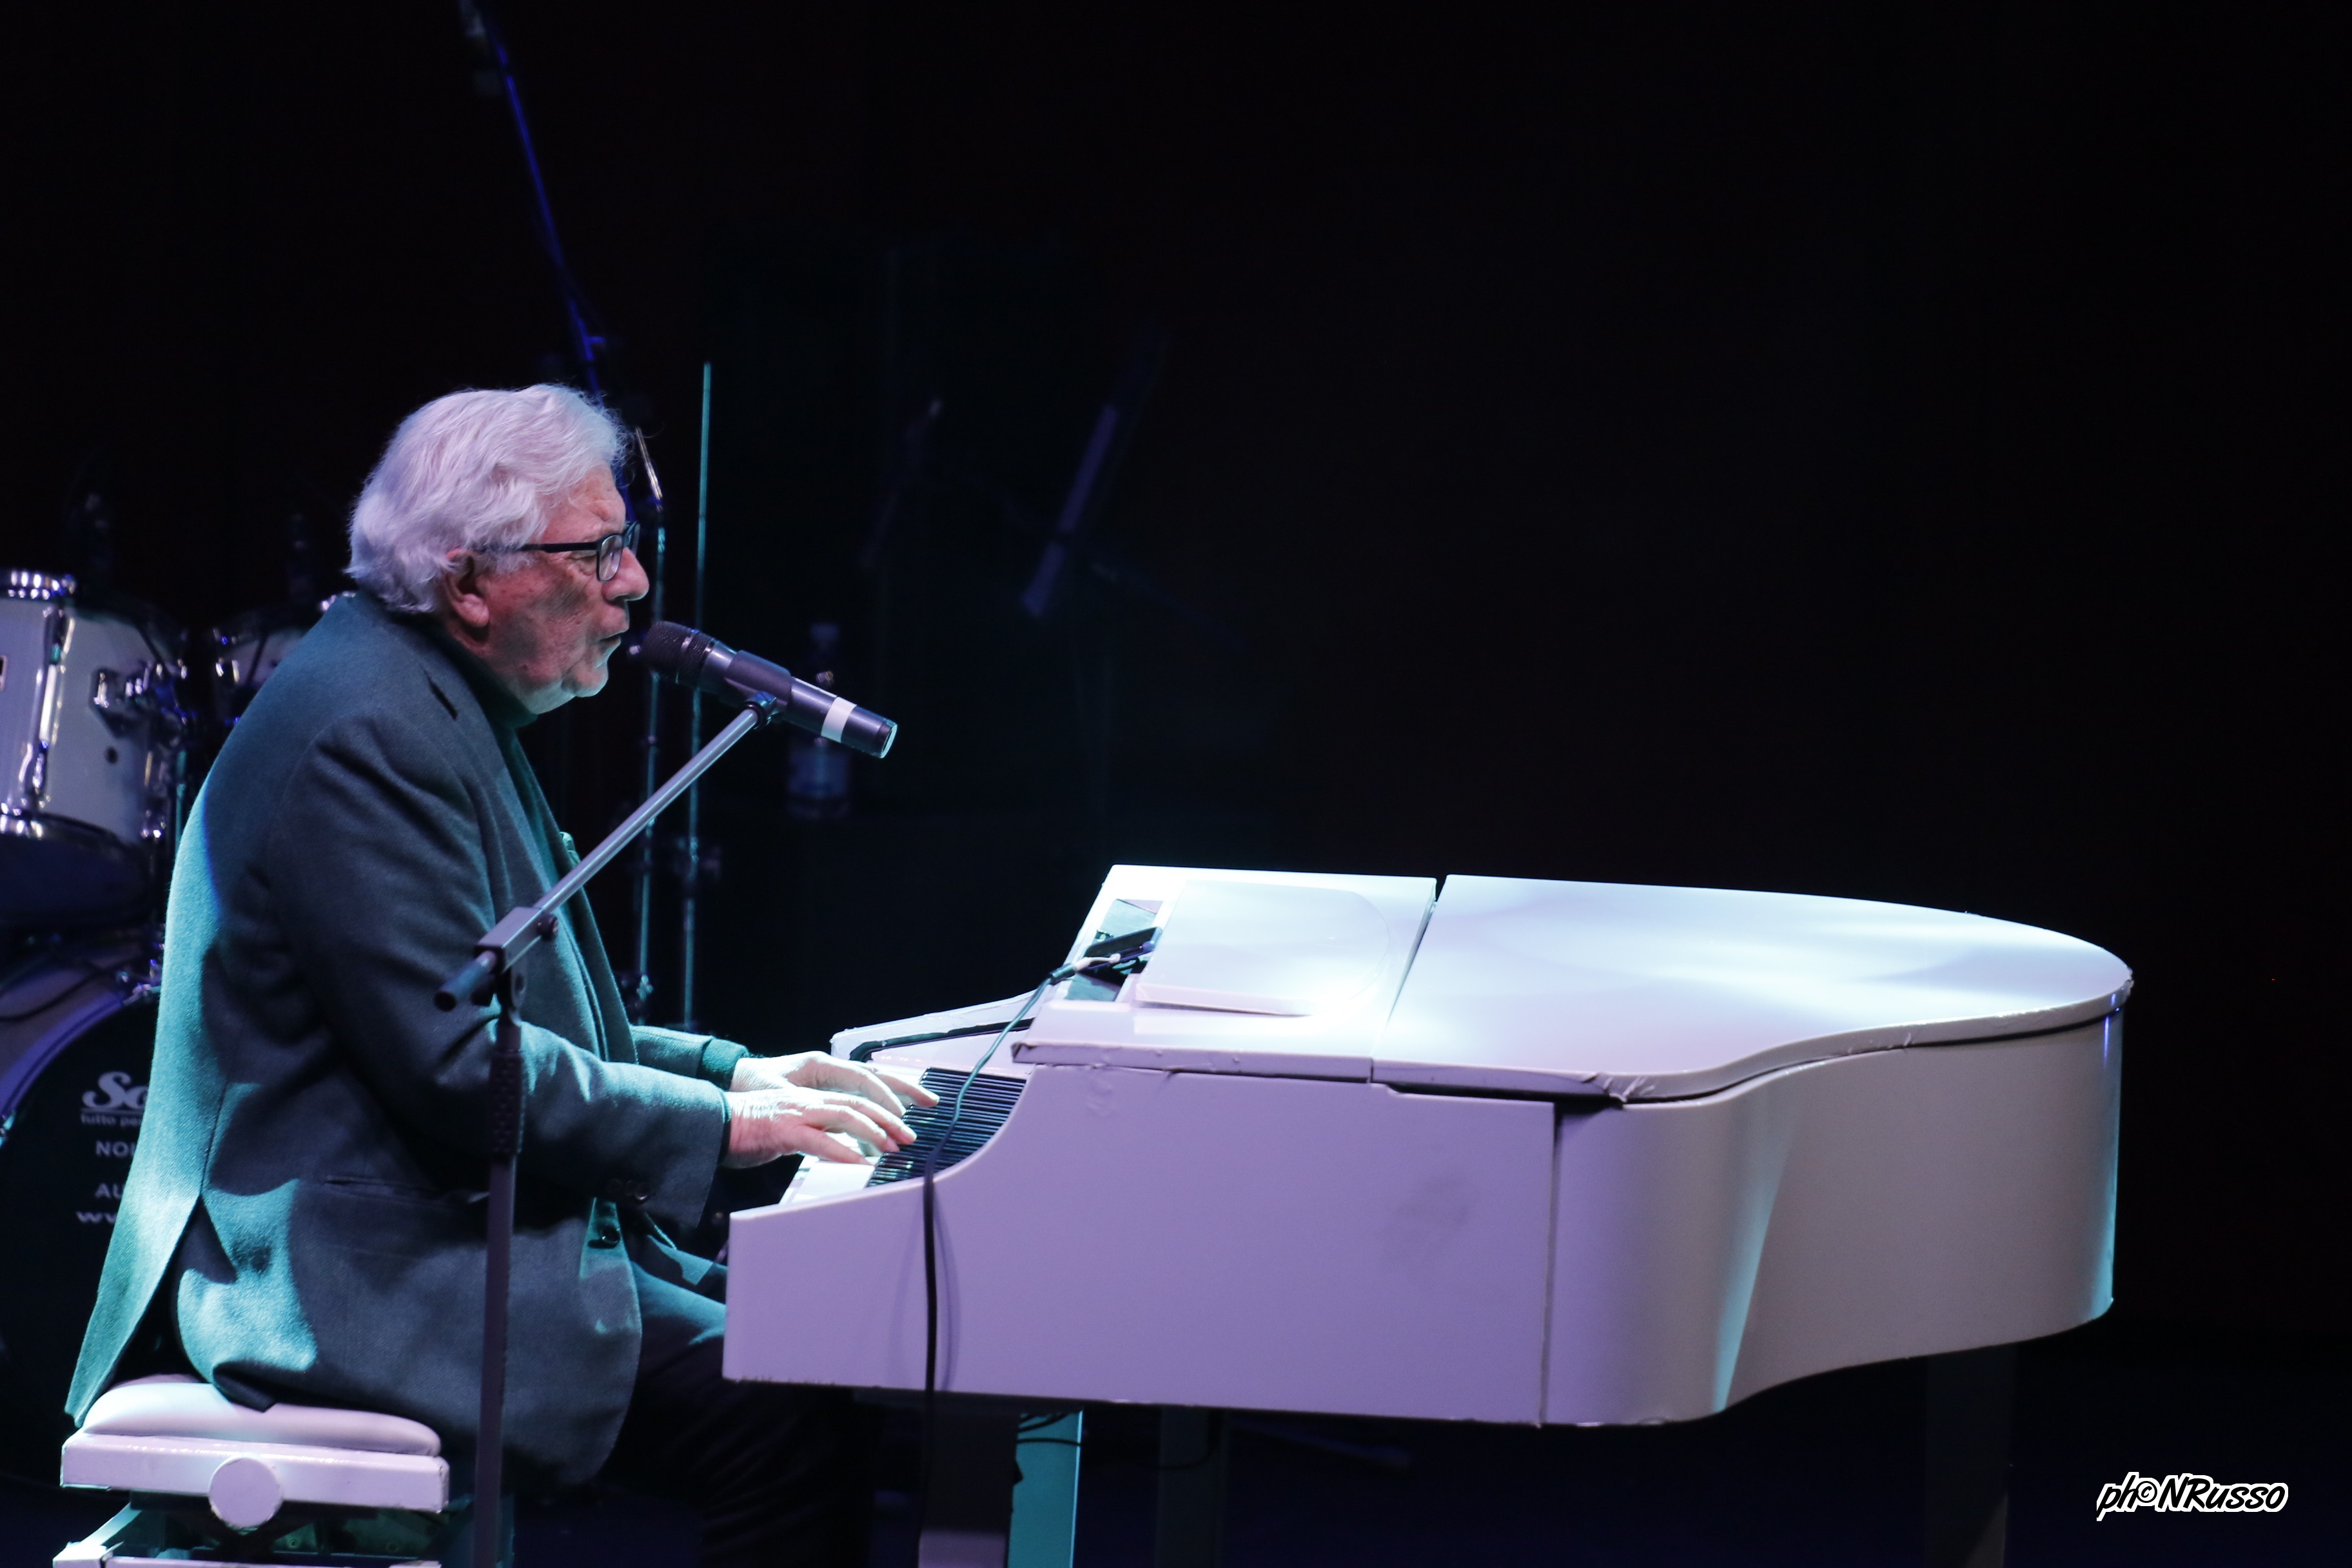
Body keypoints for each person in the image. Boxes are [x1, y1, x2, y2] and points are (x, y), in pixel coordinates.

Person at [70, 385, 932, 1565]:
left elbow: (513, 1012)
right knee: (785, 1416)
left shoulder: (422, 694)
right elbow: (459, 1066)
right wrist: (728, 1127)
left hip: (413, 1235)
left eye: (628, 545)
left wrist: (737, 1076)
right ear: (469, 582)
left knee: (827, 1353)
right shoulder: (366, 733)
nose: (633, 584)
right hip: (340, 1278)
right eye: (599, 551)